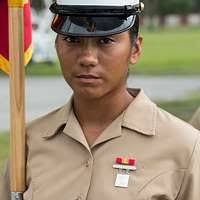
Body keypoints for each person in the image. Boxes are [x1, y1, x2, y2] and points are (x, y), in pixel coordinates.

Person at [1, 0, 200, 199]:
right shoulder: (29, 142)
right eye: (72, 39)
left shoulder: (183, 147)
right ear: (56, 45)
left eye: (105, 41)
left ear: (135, 49)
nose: (87, 58)